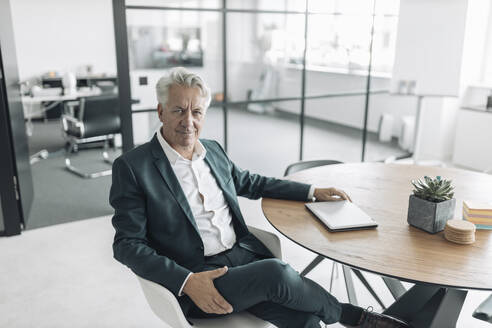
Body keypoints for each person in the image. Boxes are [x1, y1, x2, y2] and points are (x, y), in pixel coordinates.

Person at [110, 67, 409, 328]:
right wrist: (186, 282)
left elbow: (250, 182)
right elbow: (126, 245)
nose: (188, 121)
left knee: (304, 320)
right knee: (277, 272)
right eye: (178, 110)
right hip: (199, 276)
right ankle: (354, 317)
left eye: (197, 111)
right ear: (161, 111)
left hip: (244, 258)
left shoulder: (212, 150)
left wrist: (311, 192)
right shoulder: (134, 168)